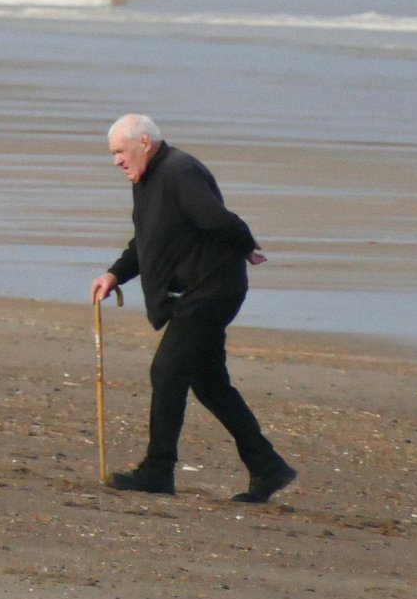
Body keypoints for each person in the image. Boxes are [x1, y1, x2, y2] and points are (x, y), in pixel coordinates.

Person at [88, 115, 295, 503]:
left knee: (166, 370)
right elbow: (147, 241)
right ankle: (268, 468)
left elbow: (219, 221)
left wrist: (247, 246)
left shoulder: (180, 172)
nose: (116, 160)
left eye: (119, 151)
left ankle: (157, 470)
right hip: (198, 293)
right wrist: (115, 275)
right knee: (210, 384)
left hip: (211, 291)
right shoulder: (148, 179)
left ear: (144, 142)